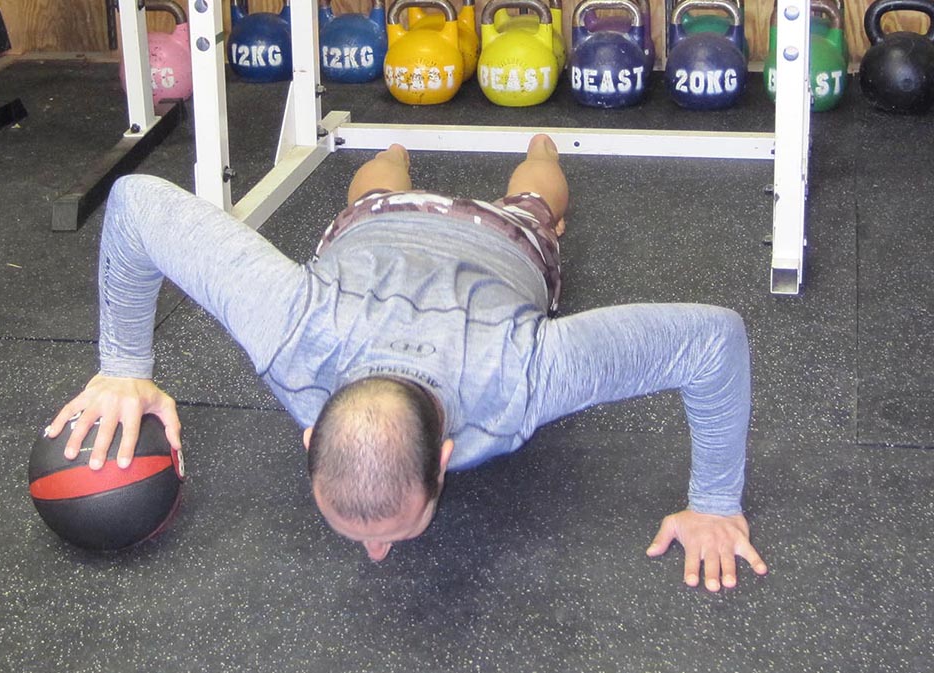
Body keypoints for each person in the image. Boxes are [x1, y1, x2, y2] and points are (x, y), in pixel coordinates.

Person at [46, 134, 767, 592]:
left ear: (446, 456)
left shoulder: (521, 373)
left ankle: (544, 145)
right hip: (381, 216)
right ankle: (393, 147)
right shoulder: (288, 324)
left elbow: (712, 341)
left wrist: (715, 500)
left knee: (539, 200)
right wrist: (122, 367)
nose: (377, 554)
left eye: (390, 530)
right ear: (309, 440)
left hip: (498, 238)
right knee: (373, 184)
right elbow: (135, 203)